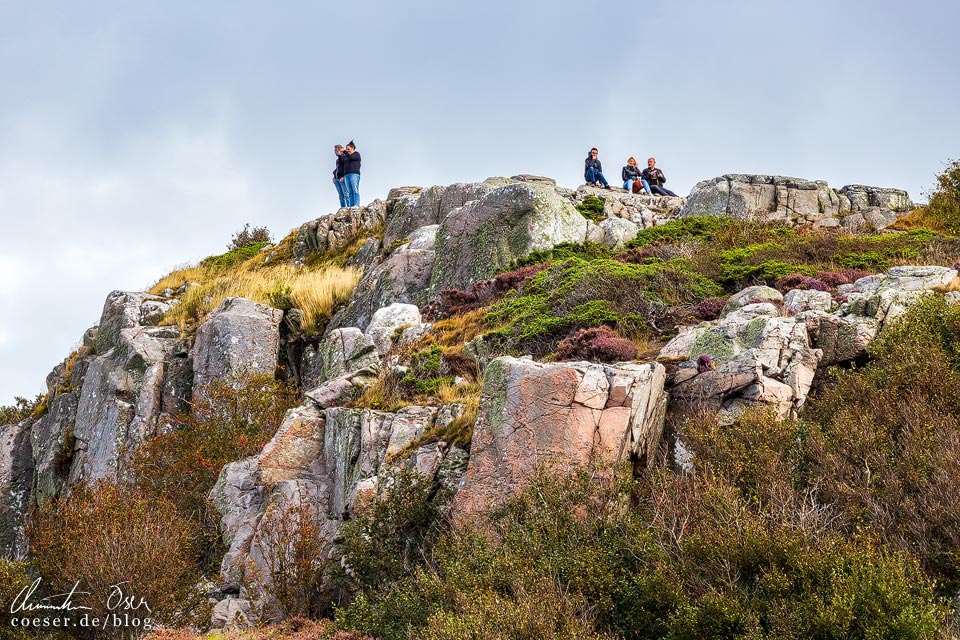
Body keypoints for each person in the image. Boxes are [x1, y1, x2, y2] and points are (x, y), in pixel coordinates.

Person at [340, 140, 362, 207]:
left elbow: (351, 158)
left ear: (352, 148)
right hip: (346, 175)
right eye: (346, 149)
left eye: (348, 149)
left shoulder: (357, 154)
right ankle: (351, 206)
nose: (347, 150)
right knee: (349, 192)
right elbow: (342, 165)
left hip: (354, 174)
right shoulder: (346, 156)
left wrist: (345, 152)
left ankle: (356, 205)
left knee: (354, 190)